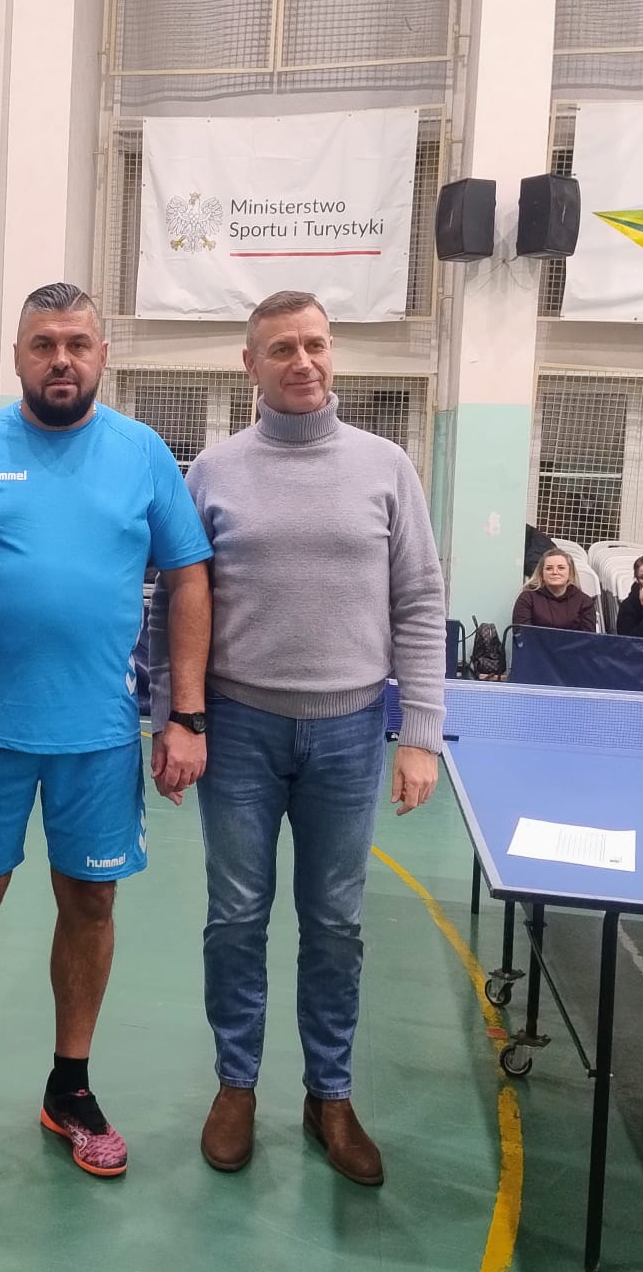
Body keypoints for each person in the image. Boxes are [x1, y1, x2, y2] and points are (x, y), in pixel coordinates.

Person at [0, 281, 213, 1180]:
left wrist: (185, 714)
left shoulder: (143, 454)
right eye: (43, 344)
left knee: (92, 904)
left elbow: (190, 577)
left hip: (101, 734)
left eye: (77, 343)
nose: (61, 359)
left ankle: (69, 1087)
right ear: (18, 356)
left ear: (103, 354)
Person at [150, 290, 445, 1187]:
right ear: (251, 365)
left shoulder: (387, 466)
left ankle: (331, 1096)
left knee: (335, 924)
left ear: (333, 351)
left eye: (314, 344)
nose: (302, 361)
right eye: (281, 348)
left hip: (351, 733)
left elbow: (419, 600)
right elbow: (175, 600)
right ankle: (236, 1084)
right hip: (238, 730)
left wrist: (420, 731)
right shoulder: (212, 470)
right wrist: (175, 716)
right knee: (236, 918)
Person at [511, 548, 598, 632]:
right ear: (542, 573)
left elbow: (588, 637)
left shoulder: (584, 602)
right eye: (549, 568)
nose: (555, 572)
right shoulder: (527, 598)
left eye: (561, 568)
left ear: (570, 573)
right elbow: (522, 634)